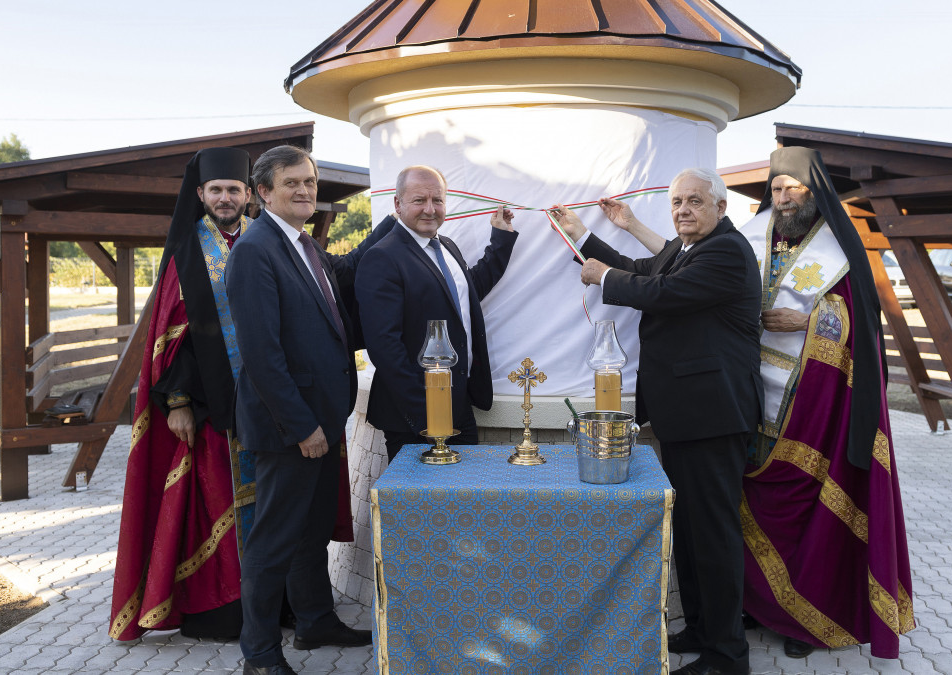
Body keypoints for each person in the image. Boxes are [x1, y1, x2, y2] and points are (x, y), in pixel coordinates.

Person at [552, 168, 763, 675]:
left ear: (721, 207)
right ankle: (701, 628)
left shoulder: (726, 251)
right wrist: (583, 237)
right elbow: (643, 271)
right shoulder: (689, 249)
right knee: (690, 531)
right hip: (689, 414)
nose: (683, 209)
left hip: (713, 416)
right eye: (676, 202)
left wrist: (602, 278)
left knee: (712, 535)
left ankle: (727, 656)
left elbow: (661, 294)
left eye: (695, 201)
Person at [737, 146, 914, 659]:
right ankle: (759, 602)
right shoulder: (753, 238)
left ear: (816, 193)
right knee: (752, 501)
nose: (784, 197)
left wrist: (809, 321)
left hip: (813, 402)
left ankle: (805, 620)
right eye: (776, 189)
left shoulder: (839, 247)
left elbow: (860, 327)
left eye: (794, 188)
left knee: (804, 509)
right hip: (749, 395)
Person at [226, 145, 393, 675]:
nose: (305, 190)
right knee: (274, 540)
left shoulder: (305, 245)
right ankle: (259, 653)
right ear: (263, 192)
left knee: (311, 529)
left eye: (310, 181)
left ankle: (315, 620)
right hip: (290, 426)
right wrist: (302, 427)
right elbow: (262, 353)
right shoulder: (256, 250)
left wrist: (392, 224)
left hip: (323, 419)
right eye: (292, 183)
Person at [110, 146, 253, 642]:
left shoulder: (262, 241)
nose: (225, 197)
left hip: (266, 406)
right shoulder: (188, 250)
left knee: (264, 509)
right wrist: (177, 403)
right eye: (216, 190)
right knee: (213, 505)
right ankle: (218, 612)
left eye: (234, 189)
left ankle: (269, 605)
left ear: (249, 194)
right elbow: (171, 338)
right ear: (201, 194)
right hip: (209, 408)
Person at [355, 165, 517, 461]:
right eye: (419, 200)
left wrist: (500, 241)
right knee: (421, 506)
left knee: (465, 501)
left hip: (458, 403)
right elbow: (384, 346)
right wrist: (426, 413)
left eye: (437, 200)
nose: (430, 209)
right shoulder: (381, 257)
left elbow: (465, 295)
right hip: (416, 415)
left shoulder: (447, 246)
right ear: (397, 204)